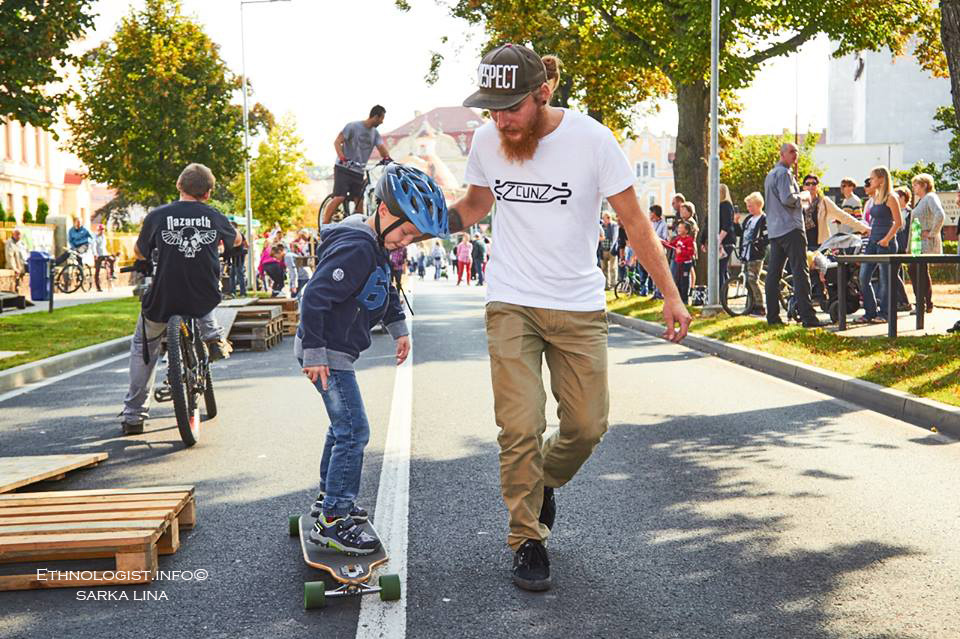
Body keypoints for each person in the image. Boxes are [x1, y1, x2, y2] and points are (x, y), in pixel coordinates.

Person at [453, 44, 689, 591]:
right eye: (491, 108)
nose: (500, 119)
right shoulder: (488, 140)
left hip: (578, 304)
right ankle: (526, 539)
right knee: (520, 426)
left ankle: (545, 481)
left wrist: (670, 294)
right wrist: (420, 224)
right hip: (510, 298)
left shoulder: (591, 139)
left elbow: (634, 221)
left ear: (544, 92)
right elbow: (474, 205)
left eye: (510, 106)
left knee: (586, 426)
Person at [297, 163, 447, 554]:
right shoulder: (358, 247)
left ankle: (327, 500)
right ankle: (334, 519)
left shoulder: (377, 247)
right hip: (325, 353)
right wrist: (315, 353)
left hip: (334, 351)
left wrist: (399, 328)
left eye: (414, 236)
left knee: (340, 427)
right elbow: (314, 297)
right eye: (405, 231)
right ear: (383, 211)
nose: (406, 241)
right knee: (354, 431)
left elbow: (385, 289)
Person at [120, 163, 239, 435]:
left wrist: (142, 259)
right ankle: (213, 335)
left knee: (144, 346)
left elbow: (140, 251)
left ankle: (134, 416)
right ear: (208, 193)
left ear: (178, 186)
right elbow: (237, 240)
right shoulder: (214, 215)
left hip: (164, 296)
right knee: (204, 293)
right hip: (203, 295)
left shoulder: (159, 215)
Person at [762, 143, 821, 328]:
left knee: (773, 274)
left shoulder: (771, 175)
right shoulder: (785, 174)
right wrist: (804, 197)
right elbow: (788, 198)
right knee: (800, 272)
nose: (795, 155)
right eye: (792, 152)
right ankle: (808, 318)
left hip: (775, 230)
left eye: (797, 151)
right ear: (782, 154)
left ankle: (772, 317)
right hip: (791, 228)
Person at [321, 106, 393, 226]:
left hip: (358, 171)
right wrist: (342, 157)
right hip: (344, 168)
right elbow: (337, 142)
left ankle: (358, 228)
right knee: (340, 197)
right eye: (381, 118)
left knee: (359, 201)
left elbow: (381, 148)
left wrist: (388, 159)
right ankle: (324, 224)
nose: (382, 122)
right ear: (376, 116)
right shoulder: (353, 127)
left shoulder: (375, 134)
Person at [854, 166, 903, 324]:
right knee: (863, 277)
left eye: (872, 178)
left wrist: (887, 239)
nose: (870, 181)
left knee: (885, 280)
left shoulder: (891, 197)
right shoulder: (875, 198)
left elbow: (898, 222)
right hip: (873, 241)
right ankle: (870, 312)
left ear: (881, 179)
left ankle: (885, 313)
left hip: (885, 243)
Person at [909, 173, 946, 314]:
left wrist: (932, 233)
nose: (913, 187)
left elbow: (940, 214)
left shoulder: (930, 197)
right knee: (918, 271)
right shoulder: (921, 200)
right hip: (918, 243)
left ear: (924, 185)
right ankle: (926, 303)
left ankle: (922, 304)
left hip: (926, 243)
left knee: (917, 270)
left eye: (916, 184)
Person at [697, 184, 735, 288]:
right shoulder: (713, 207)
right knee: (720, 269)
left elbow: (726, 225)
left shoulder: (725, 205)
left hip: (724, 242)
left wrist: (719, 240)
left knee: (719, 269)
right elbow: (707, 225)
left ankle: (720, 295)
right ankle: (722, 294)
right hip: (715, 241)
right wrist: (703, 241)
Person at [739, 192, 769, 316]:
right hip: (746, 253)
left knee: (752, 279)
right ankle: (750, 306)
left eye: (750, 206)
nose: (748, 208)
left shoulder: (763, 219)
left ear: (758, 205)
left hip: (755, 254)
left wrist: (758, 244)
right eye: (747, 206)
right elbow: (741, 234)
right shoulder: (748, 219)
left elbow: (767, 236)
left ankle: (760, 306)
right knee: (747, 280)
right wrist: (736, 223)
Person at [662, 221, 695, 304]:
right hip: (678, 263)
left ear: (686, 230)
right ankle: (678, 298)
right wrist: (662, 242)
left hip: (685, 263)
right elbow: (670, 245)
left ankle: (685, 299)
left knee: (684, 281)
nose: (679, 229)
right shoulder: (678, 239)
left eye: (681, 228)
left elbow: (690, 253)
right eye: (678, 228)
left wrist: (682, 252)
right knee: (677, 280)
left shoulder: (689, 240)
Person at [91, 224, 116, 292]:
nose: (102, 231)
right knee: (97, 271)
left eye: (103, 230)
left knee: (112, 259)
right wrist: (95, 254)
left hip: (104, 254)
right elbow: (93, 246)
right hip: (98, 255)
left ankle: (112, 273)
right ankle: (98, 287)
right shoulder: (95, 237)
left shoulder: (104, 237)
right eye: (101, 230)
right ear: (98, 230)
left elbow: (104, 247)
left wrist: (109, 253)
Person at [599, 212, 617, 289]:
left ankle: (613, 285)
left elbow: (615, 237)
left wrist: (612, 248)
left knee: (612, 268)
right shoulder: (601, 226)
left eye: (609, 217)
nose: (608, 219)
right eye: (606, 218)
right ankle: (606, 285)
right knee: (604, 268)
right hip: (603, 250)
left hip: (612, 250)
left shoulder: (614, 225)